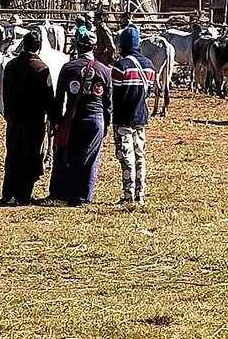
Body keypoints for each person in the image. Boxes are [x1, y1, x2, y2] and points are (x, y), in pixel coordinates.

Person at [49, 30, 112, 206]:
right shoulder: (104, 71)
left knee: (64, 155)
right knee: (90, 159)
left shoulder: (69, 68)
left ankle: (59, 193)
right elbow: (108, 102)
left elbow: (59, 97)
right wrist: (106, 123)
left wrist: (56, 121)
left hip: (72, 118)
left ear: (77, 45)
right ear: (94, 47)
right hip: (95, 118)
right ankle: (83, 197)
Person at [0, 27, 56, 205]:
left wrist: (8, 114)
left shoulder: (11, 65)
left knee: (13, 154)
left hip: (14, 119)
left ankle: (8, 192)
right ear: (39, 47)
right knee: (30, 155)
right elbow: (49, 97)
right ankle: (23, 194)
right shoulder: (41, 68)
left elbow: (5, 93)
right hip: (34, 120)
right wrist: (53, 120)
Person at [111, 28, 156, 204]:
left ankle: (128, 195)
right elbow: (149, 91)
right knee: (140, 156)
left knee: (126, 156)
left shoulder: (120, 66)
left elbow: (114, 93)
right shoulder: (149, 65)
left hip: (123, 117)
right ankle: (140, 195)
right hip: (141, 117)